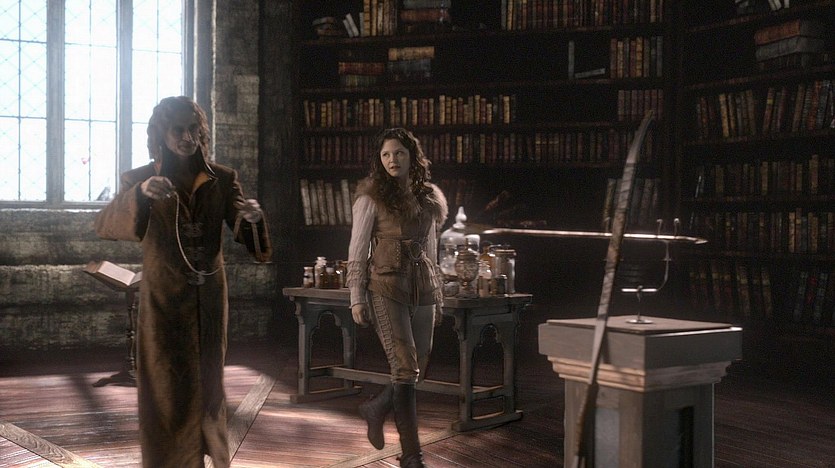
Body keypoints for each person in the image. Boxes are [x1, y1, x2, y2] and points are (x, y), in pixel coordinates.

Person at [94, 95, 272, 468]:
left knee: (209, 383)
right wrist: (141, 195)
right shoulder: (139, 179)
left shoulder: (222, 178)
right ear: (162, 133)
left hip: (209, 299)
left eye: (193, 130)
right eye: (178, 130)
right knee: (164, 384)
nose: (187, 138)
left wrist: (253, 218)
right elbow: (105, 224)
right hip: (163, 298)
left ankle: (209, 457)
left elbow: (246, 234)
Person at [346, 127, 448, 467]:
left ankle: (376, 407)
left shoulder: (428, 197)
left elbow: (431, 247)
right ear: (379, 159)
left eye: (399, 153)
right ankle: (412, 456)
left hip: (423, 285)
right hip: (386, 285)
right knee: (404, 367)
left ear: (411, 156)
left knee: (420, 364)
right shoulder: (371, 197)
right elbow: (357, 250)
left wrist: (438, 294)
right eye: (386, 154)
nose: (393, 160)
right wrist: (356, 296)